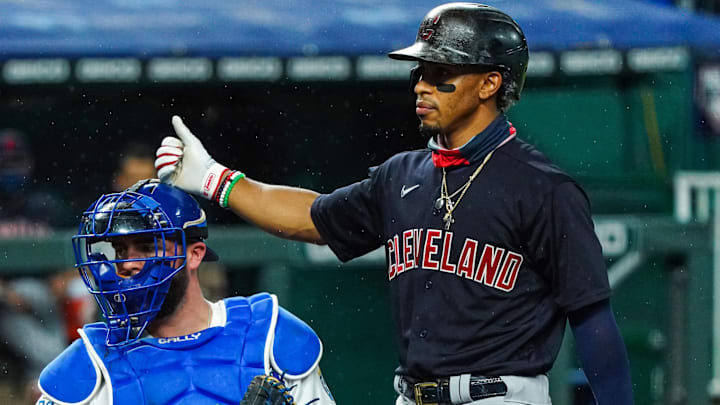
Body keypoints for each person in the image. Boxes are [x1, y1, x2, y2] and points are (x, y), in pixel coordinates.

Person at [154, 3, 634, 404]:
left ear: (490, 83)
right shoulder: (403, 175)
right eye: (421, 71)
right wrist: (214, 179)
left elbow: (593, 321)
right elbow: (312, 218)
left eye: (442, 73)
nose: (422, 85)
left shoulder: (543, 187)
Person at [35, 179, 335, 405]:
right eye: (120, 250)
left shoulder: (269, 334)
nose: (127, 263)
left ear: (195, 254)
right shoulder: (91, 363)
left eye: (146, 247)